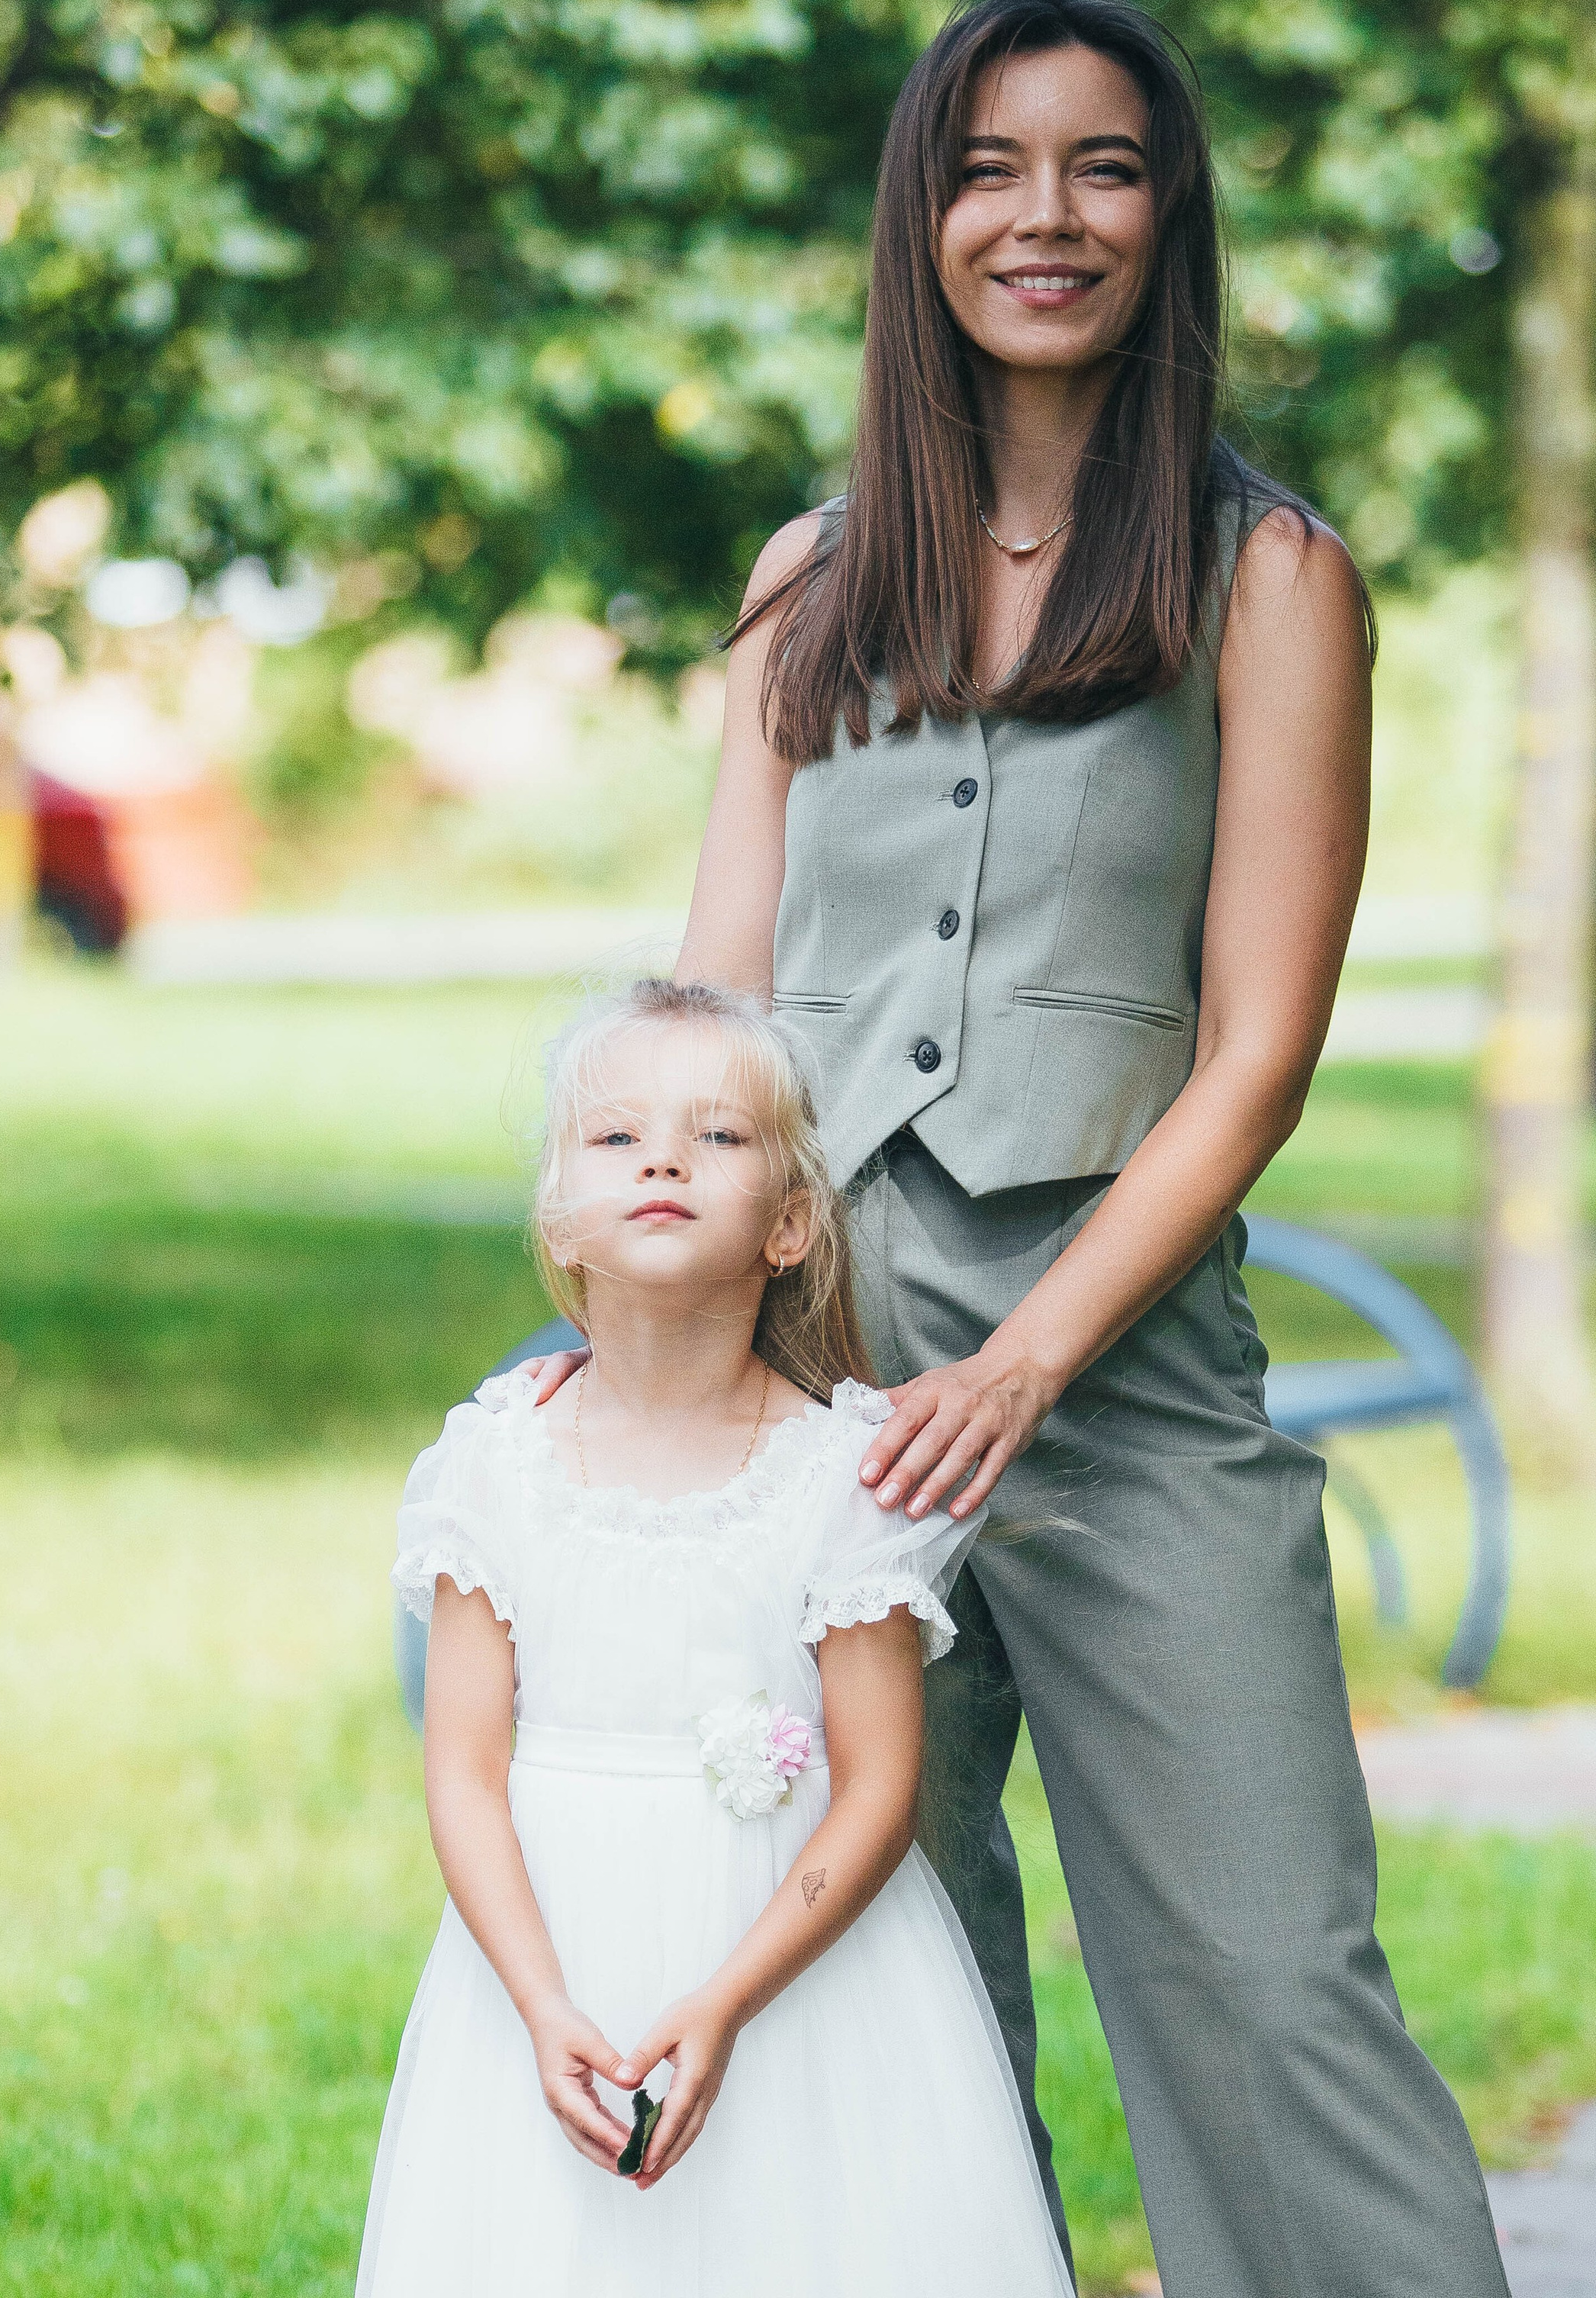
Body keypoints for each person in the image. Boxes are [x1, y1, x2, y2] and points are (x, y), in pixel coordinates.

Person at [530, 0, 1510, 2297]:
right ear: (923, 221)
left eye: (1102, 163)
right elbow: (716, 1019)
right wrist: (635, 1334)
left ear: (1168, 215)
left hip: (1124, 1371)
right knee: (885, 1985)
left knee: (1269, 1981)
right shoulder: (808, 579)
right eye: (987, 167)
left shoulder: (1274, 582)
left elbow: (1258, 1049)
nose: (1043, 215)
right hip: (813, 1381)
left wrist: (1032, 1365)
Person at [359, 978, 1073, 2298]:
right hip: (549, 1959)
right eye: (617, 1138)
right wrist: (538, 2003)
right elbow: (461, 1772)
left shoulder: (849, 1478)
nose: (665, 1160)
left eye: (718, 1138)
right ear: (560, 1219)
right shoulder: (493, 1464)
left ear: (793, 1223)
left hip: (799, 1981)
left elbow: (878, 1790)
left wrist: (730, 1999)